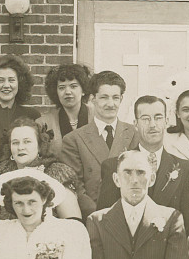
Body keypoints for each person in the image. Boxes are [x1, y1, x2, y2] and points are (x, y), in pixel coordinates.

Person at [95, 95, 189, 214]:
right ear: (135, 124)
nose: (152, 124)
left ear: (166, 122)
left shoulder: (186, 168)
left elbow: (187, 221)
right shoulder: (114, 166)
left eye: (158, 118)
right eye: (145, 119)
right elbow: (105, 218)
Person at [0, 117, 84, 224]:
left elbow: (73, 223)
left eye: (27, 142)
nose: (20, 147)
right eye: (15, 142)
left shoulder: (56, 172)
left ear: (40, 145)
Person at [58, 70, 136, 213]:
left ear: (121, 99)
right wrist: (98, 215)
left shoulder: (133, 134)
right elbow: (75, 186)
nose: (110, 104)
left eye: (115, 97)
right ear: (93, 99)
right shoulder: (74, 139)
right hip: (93, 216)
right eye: (104, 97)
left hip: (129, 214)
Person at [0, 54, 40, 154]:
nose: (6, 85)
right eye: (0, 80)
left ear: (19, 83)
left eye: (11, 80)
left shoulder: (32, 115)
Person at [37, 63, 92, 155]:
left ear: (83, 90)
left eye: (73, 86)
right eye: (62, 88)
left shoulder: (97, 118)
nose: (67, 92)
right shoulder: (43, 123)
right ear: (56, 92)